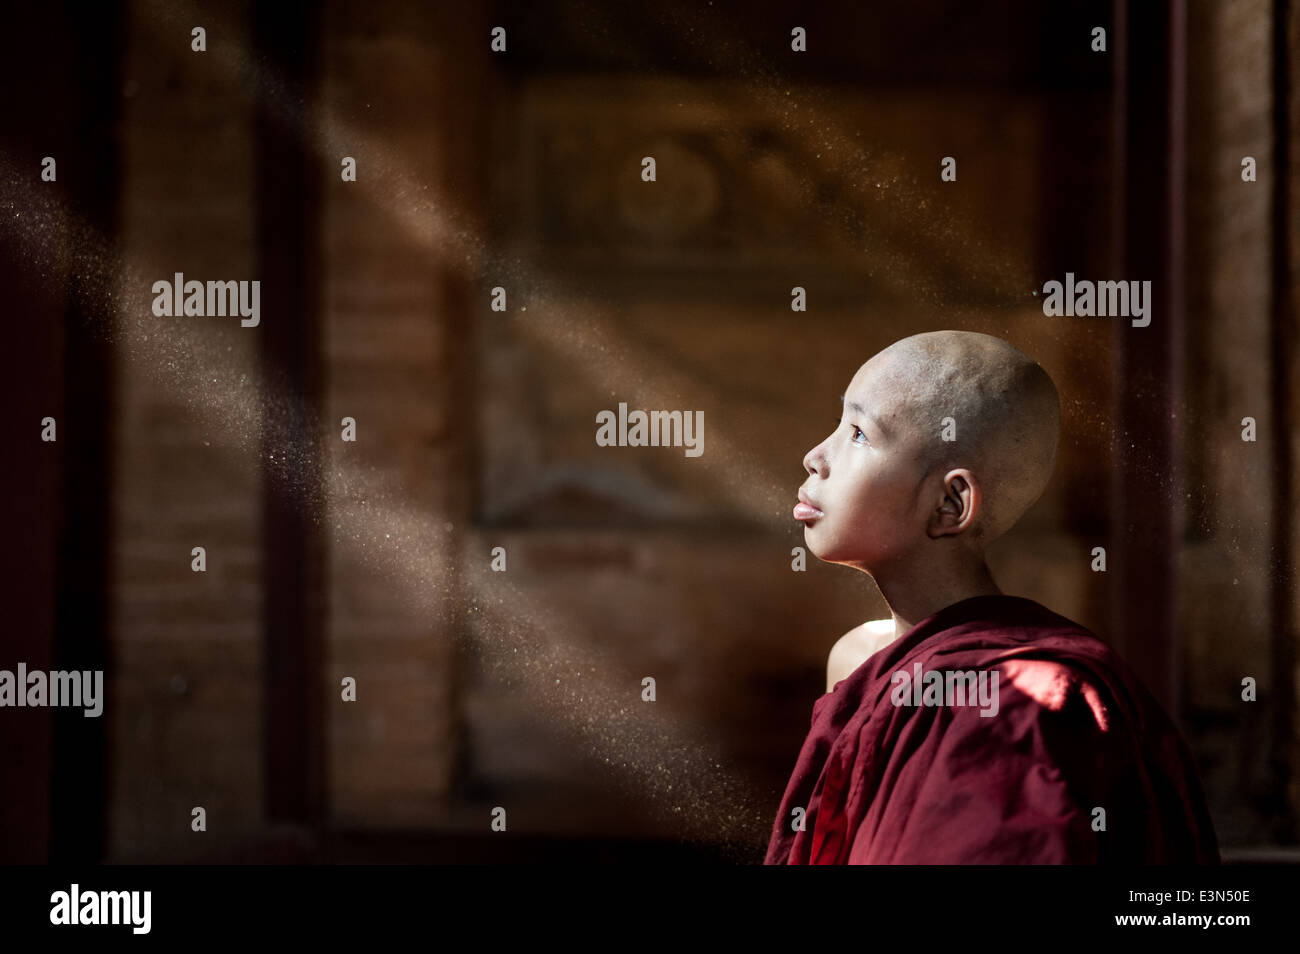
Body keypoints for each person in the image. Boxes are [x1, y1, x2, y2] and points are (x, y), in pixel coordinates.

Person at [766, 330, 1219, 864]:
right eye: (839, 424)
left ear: (950, 503)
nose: (814, 457)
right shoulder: (854, 657)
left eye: (860, 434)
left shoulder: (1019, 701)